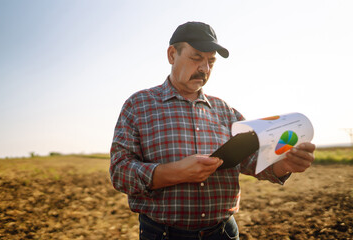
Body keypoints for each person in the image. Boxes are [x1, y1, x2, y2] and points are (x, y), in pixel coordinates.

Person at [109, 21, 315, 240]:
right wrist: (176, 172)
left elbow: (253, 162)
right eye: (197, 58)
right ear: (172, 55)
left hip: (224, 232)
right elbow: (120, 172)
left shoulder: (226, 111)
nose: (204, 69)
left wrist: (285, 165)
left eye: (211, 61)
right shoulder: (138, 104)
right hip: (162, 233)